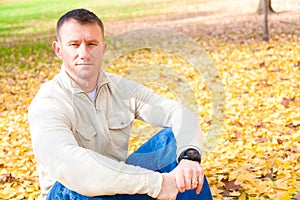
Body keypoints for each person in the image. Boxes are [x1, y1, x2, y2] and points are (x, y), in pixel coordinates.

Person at [28, 8, 213, 200]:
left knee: (172, 141)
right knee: (76, 186)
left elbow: (178, 112)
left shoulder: (121, 89)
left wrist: (189, 158)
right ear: (58, 50)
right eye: (74, 44)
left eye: (92, 44)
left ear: (103, 49)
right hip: (70, 194)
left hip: (120, 188)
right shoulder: (47, 103)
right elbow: (72, 167)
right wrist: (156, 184)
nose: (84, 53)